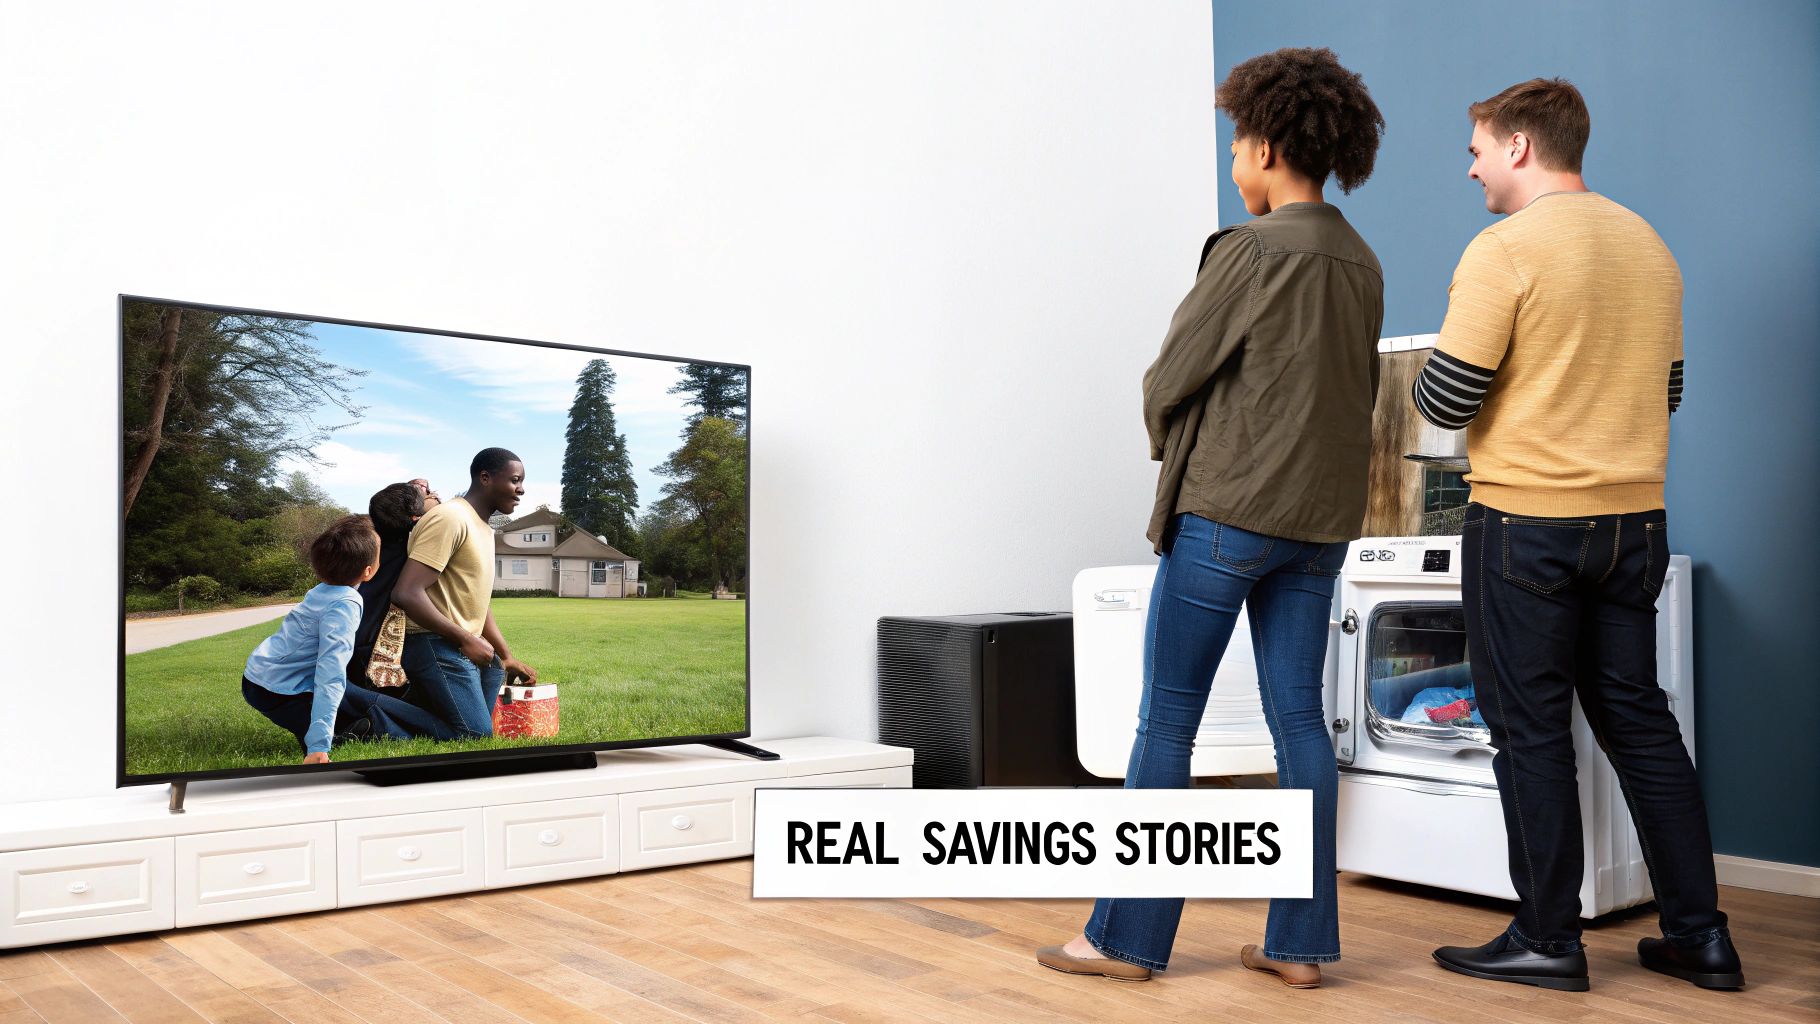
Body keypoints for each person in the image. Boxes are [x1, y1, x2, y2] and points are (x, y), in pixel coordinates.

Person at [1035, 47, 1385, 988]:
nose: (1234, 163)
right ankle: (1298, 947)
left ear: (1266, 146)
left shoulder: (1249, 251)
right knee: (1300, 727)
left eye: (1237, 144)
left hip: (1227, 517)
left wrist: (1174, 437)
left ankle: (1123, 941)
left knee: (1167, 726)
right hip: (1318, 530)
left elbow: (1169, 379)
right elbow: (1357, 398)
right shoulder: (1362, 262)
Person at [1418, 78, 1742, 992]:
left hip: (1526, 525)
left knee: (1530, 733)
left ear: (1520, 145)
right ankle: (1702, 937)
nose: (1470, 163)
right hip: (1634, 524)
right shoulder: (1649, 245)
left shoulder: (1503, 249)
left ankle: (1548, 938)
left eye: (1478, 145)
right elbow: (1667, 393)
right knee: (1642, 726)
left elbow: (1444, 398)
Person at [241, 514, 454, 763]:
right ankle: (431, 733)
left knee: (357, 706)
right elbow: (330, 673)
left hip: (260, 677)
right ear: (369, 571)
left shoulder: (324, 589)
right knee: (366, 713)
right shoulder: (344, 604)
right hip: (280, 692)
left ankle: (345, 732)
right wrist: (317, 745)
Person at [390, 448, 538, 738]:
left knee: (491, 682)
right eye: (515, 480)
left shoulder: (482, 526)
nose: (521, 489)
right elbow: (406, 592)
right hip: (432, 641)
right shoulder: (451, 518)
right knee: (474, 733)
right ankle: (366, 710)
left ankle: (425, 702)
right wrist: (466, 639)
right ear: (485, 477)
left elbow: (477, 600)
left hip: (462, 644)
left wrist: (506, 656)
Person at [348, 479, 439, 691]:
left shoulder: (366, 542)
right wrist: (432, 504)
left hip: (353, 630)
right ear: (416, 519)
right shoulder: (409, 547)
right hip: (372, 641)